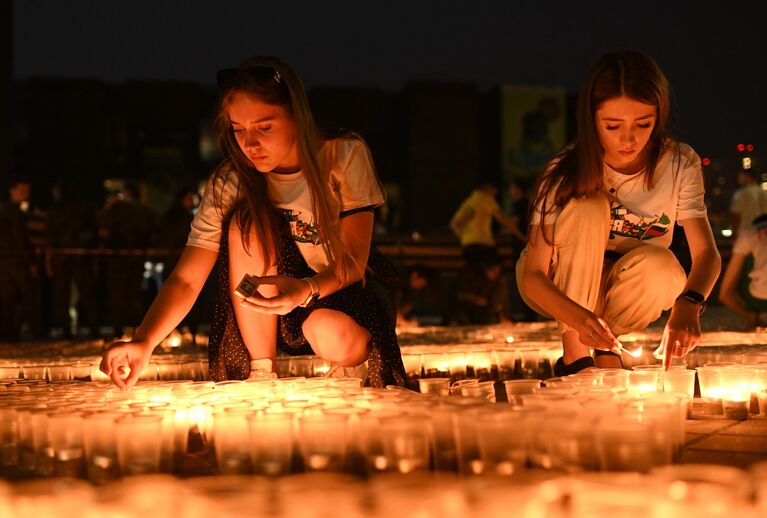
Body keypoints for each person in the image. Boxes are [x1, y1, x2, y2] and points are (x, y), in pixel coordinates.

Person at [101, 56, 406, 390]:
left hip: (344, 292)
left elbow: (352, 261)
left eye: (265, 127)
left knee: (329, 332)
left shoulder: (341, 155)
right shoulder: (230, 181)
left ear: (296, 117)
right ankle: (261, 371)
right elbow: (187, 279)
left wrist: (307, 289)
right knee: (245, 224)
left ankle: (350, 367)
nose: (250, 144)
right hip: (270, 307)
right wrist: (144, 341)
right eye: (239, 130)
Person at [516, 51, 721, 375]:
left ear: (658, 116)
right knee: (588, 206)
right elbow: (533, 276)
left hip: (623, 284)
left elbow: (707, 253)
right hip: (556, 283)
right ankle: (576, 359)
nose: (629, 139)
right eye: (613, 126)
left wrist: (689, 305)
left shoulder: (679, 164)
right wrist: (578, 319)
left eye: (643, 124)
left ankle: (606, 351)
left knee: (665, 268)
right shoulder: (564, 170)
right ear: (592, 119)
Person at [0, 176, 37, 340]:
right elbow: (20, 238)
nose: (26, 194)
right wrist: (30, 261)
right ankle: (34, 331)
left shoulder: (5, 210)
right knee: (27, 296)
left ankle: (9, 333)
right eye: (22, 190)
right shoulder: (15, 213)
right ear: (12, 191)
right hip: (17, 259)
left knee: (8, 298)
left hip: (5, 259)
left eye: (27, 191)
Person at [450, 182, 517, 266]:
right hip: (483, 243)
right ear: (488, 188)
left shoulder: (470, 201)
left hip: (467, 246)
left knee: (477, 272)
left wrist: (465, 236)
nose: (495, 194)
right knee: (495, 267)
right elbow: (502, 219)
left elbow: (454, 224)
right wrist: (519, 234)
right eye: (494, 191)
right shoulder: (486, 199)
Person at [718, 213, 767, 327]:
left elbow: (725, 295)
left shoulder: (749, 233)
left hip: (757, 298)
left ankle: (753, 314)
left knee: (743, 258)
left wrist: (747, 315)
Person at [730, 168, 767, 237]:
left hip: (746, 232)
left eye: (741, 176)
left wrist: (734, 231)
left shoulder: (741, 193)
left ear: (748, 176)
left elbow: (735, 214)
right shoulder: (763, 192)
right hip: (762, 233)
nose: (739, 179)